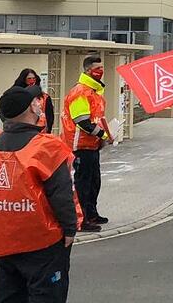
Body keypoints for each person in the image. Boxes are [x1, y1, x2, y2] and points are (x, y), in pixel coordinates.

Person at [0, 86, 77, 302]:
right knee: (46, 294)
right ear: (31, 107)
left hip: (5, 239)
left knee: (9, 293)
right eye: (37, 102)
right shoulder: (45, 146)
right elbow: (61, 193)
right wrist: (70, 228)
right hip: (42, 241)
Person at [61, 55, 108, 233]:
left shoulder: (94, 91)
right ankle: (81, 220)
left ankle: (91, 213)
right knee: (83, 183)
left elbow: (96, 118)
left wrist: (102, 136)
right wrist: (102, 134)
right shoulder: (81, 92)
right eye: (97, 69)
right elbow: (82, 121)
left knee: (94, 181)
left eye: (102, 68)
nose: (101, 72)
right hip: (80, 145)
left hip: (91, 144)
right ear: (88, 70)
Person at [14, 68, 55, 133]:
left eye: (34, 78)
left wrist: (48, 130)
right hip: (21, 130)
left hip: (40, 131)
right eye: (29, 78)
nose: (32, 81)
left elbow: (50, 116)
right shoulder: (16, 94)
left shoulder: (45, 97)